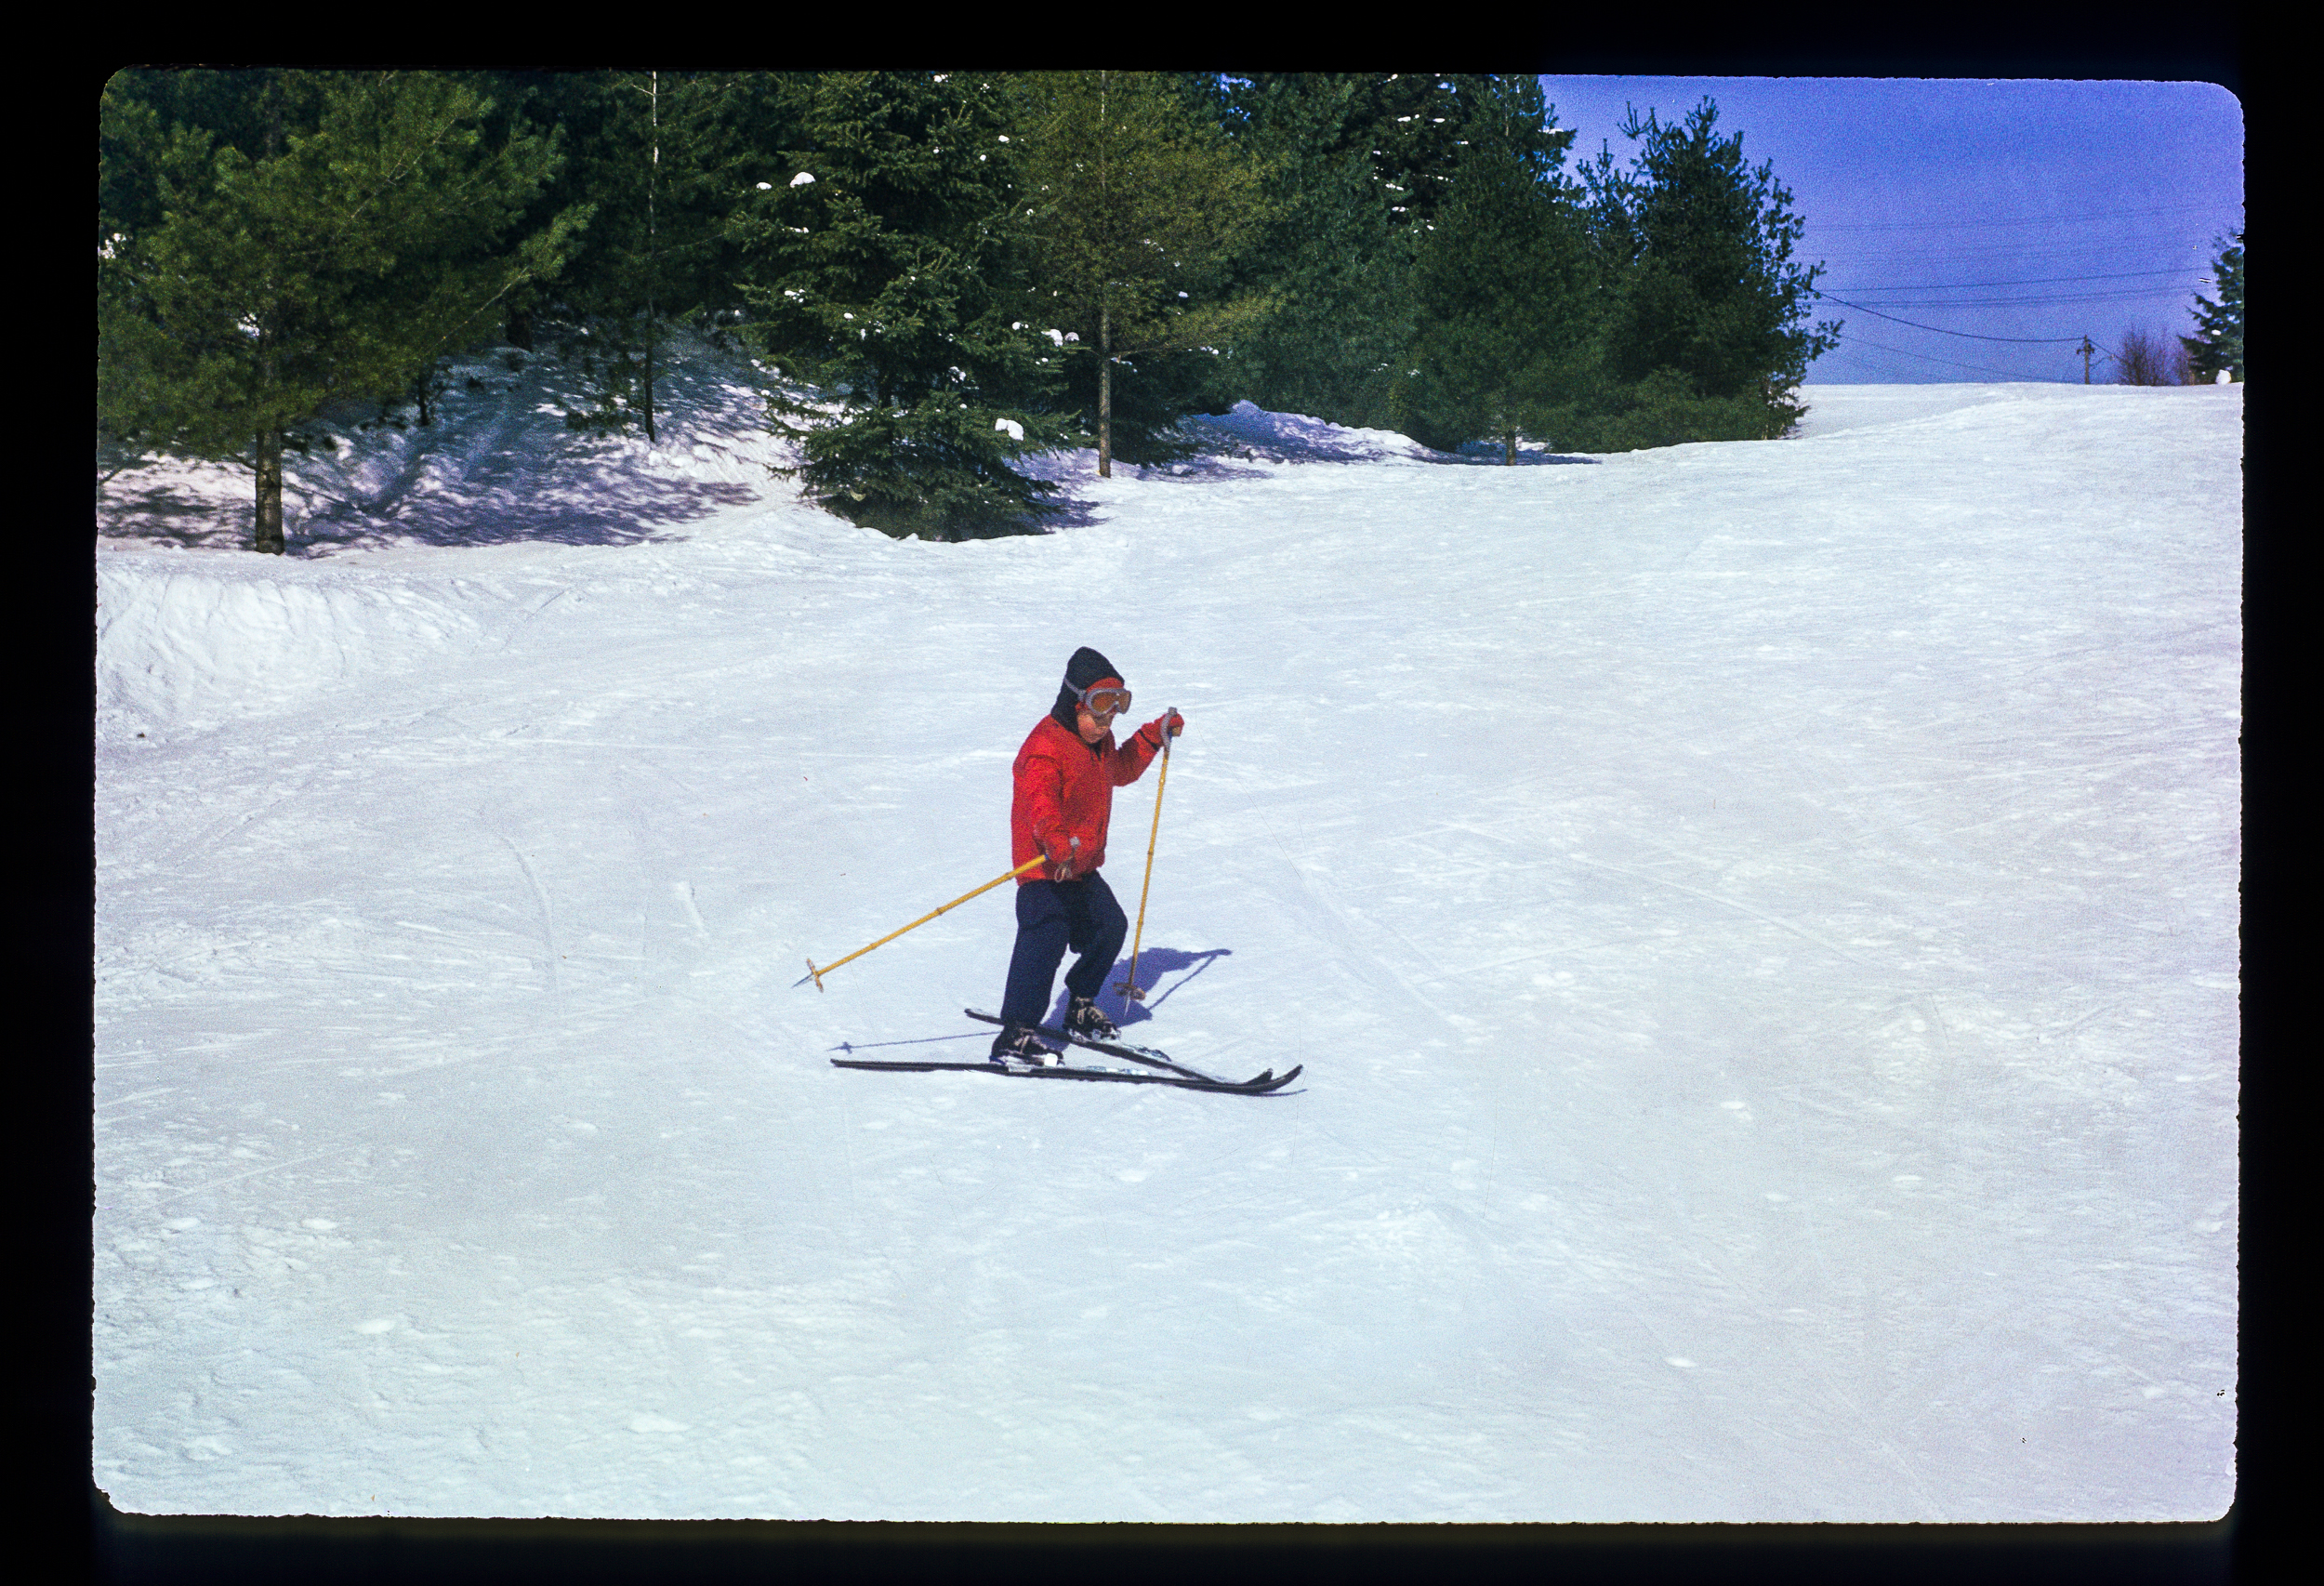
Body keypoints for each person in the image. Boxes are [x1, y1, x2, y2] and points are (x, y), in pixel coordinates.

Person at [991, 647, 1184, 1064]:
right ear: (1074, 704)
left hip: (1079, 868)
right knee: (1046, 935)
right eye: (1097, 716)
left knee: (1110, 926)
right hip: (1045, 868)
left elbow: (1121, 769)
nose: (1104, 725)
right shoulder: (1045, 748)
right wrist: (1056, 842)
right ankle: (1016, 1032)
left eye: (1112, 718)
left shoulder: (1099, 743)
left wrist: (1153, 736)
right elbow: (1040, 805)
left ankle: (1079, 1006)